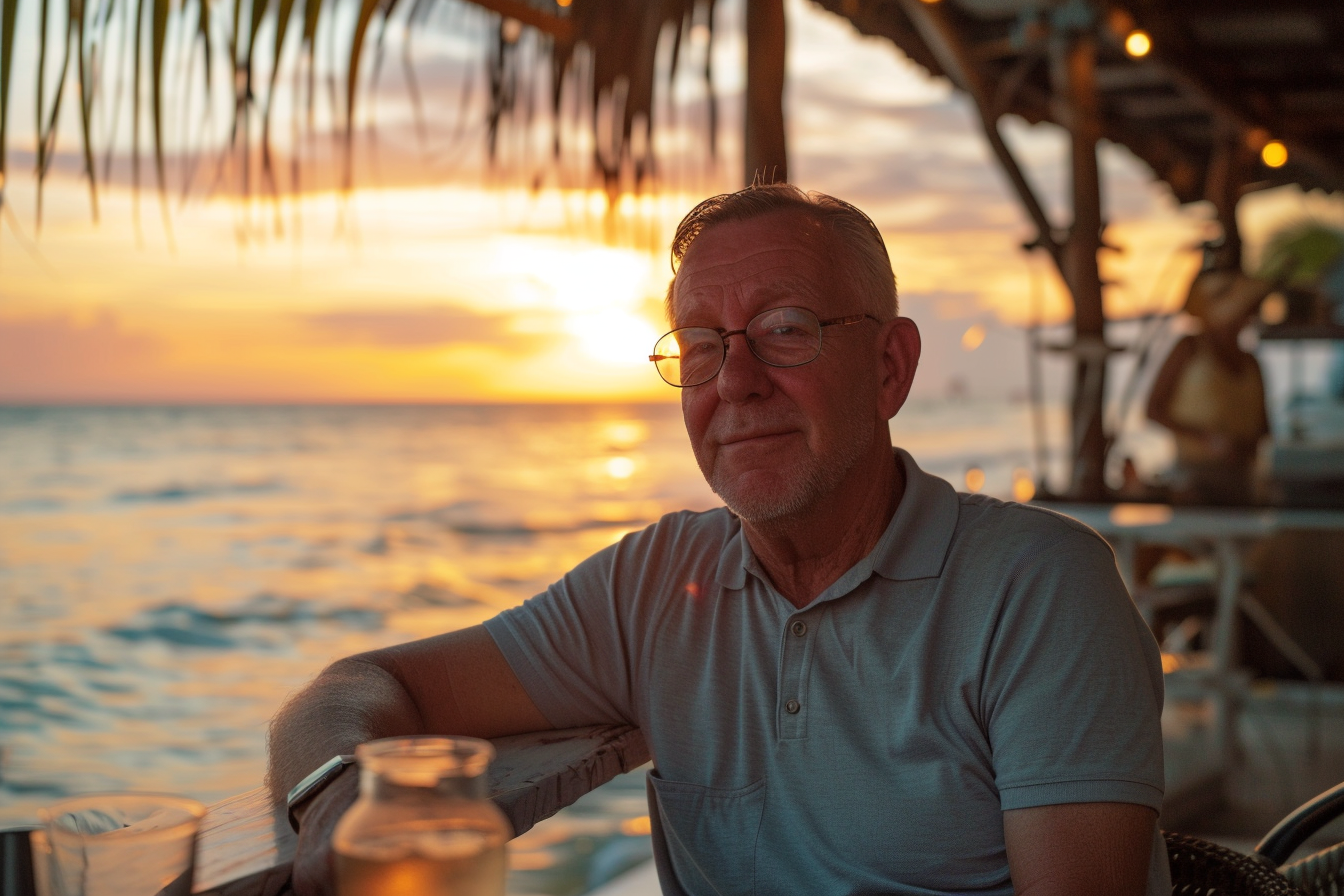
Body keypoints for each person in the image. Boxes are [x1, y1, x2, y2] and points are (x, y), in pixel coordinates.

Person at [268, 184, 1168, 896]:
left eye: (786, 330)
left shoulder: (1039, 589)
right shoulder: (655, 586)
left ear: (889, 366)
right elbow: (358, 687)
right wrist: (340, 798)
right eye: (702, 344)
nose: (736, 381)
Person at [1146, 253, 1274, 505]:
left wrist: (1242, 449)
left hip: (1242, 478)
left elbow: (1263, 427)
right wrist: (1207, 440)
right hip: (1194, 479)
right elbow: (1153, 409)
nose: (1249, 316)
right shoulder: (1189, 348)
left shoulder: (1251, 362)